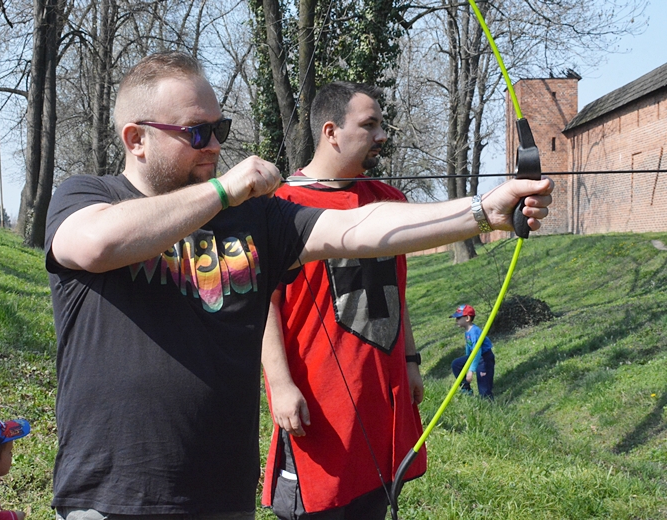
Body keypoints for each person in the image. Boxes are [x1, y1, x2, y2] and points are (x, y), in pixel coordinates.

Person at [44, 51, 552, 519]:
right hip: (112, 499)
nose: (216, 146)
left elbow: (354, 229)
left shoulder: (254, 220)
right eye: (197, 134)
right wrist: (224, 191)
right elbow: (92, 245)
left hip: (221, 498)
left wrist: (482, 212)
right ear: (137, 140)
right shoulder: (88, 197)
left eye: (219, 128)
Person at [260, 81, 427, 520]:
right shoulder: (280, 205)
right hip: (321, 401)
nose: (382, 135)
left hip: (380, 396)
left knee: (373, 501)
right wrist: (280, 385)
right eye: (369, 125)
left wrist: (411, 360)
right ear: (331, 132)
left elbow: (397, 290)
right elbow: (263, 305)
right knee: (317, 505)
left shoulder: (389, 203)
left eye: (381, 124)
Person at [450, 305, 495, 398]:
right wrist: (468, 361)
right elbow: (468, 346)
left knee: (484, 389)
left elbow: (477, 351)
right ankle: (466, 389)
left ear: (467, 318)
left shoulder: (474, 331)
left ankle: (488, 403)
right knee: (456, 364)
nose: (456, 320)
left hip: (484, 359)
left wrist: (471, 370)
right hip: (476, 356)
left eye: (458, 318)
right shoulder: (467, 330)